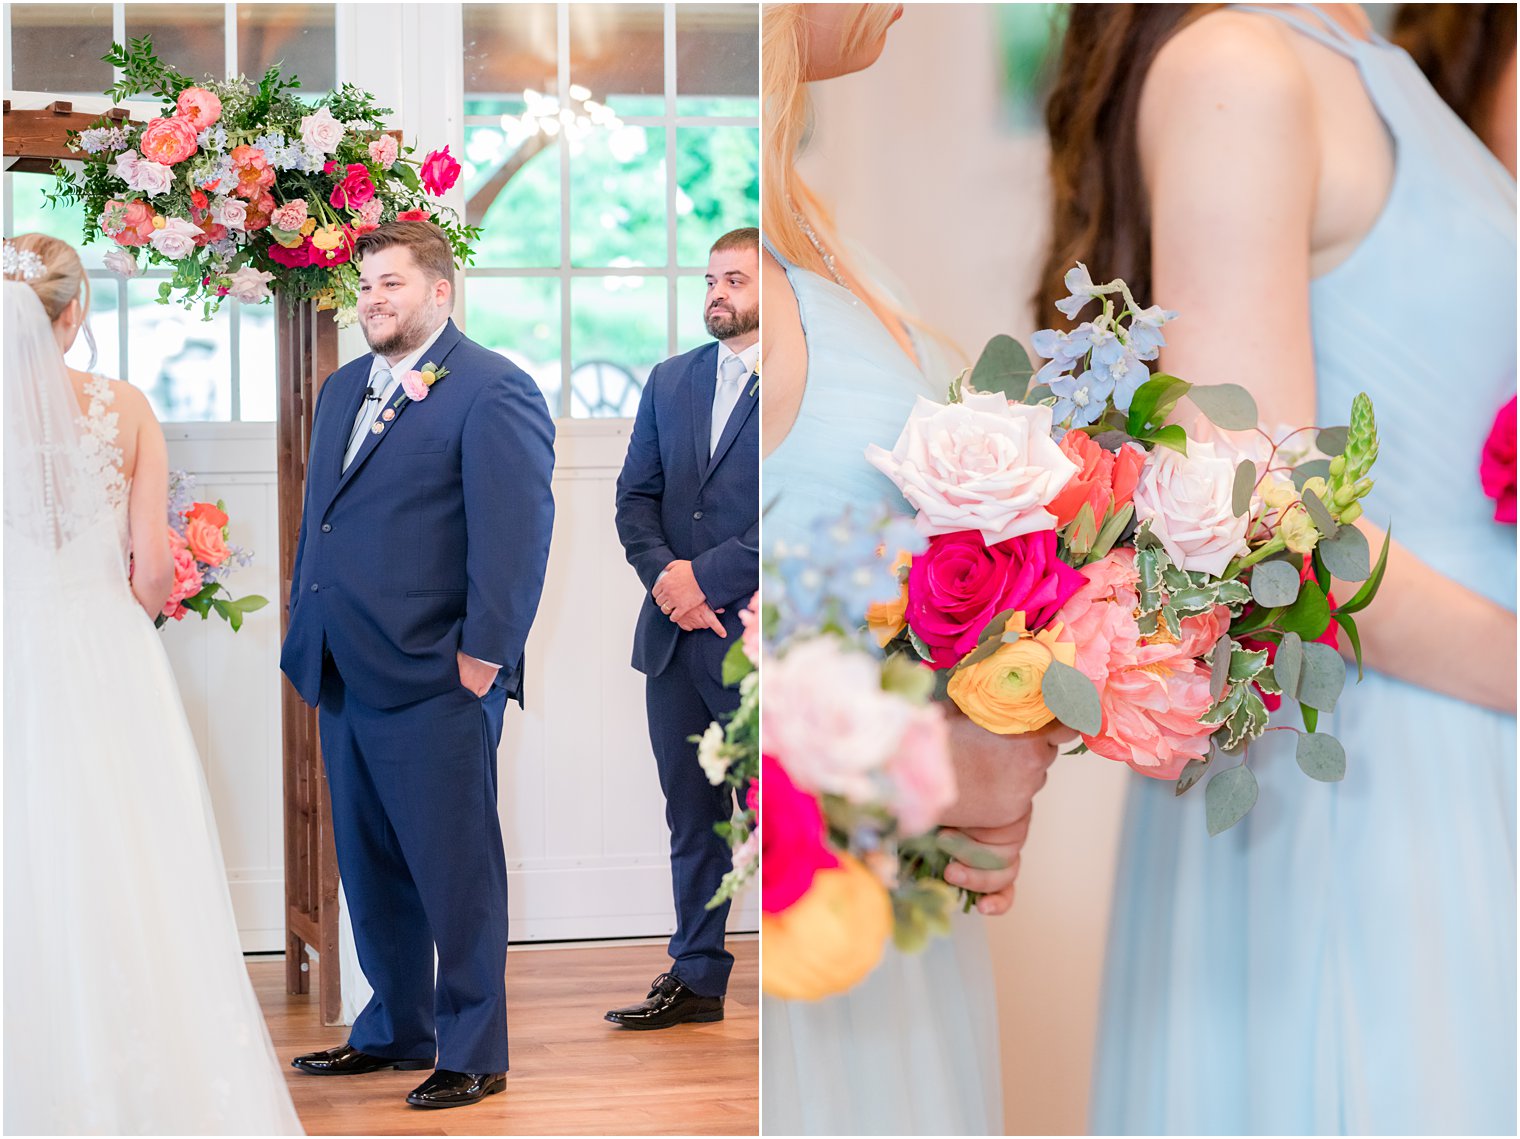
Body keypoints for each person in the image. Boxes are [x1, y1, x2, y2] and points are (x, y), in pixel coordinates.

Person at [1042, 5, 1516, 1133]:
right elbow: (1259, 516)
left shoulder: (1379, 67)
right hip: (1384, 746)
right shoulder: (1240, 66)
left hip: (1457, 713)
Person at [760, 6, 1064, 1133]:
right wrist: (938, 760)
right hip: (820, 895)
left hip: (888, 888)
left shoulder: (804, 230)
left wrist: (1005, 696)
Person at [2, 234, 303, 1134]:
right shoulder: (122, 406)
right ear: (75, 312)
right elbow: (152, 577)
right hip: (103, 654)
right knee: (128, 848)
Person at [280, 221, 555, 1110]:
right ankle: (396, 1027)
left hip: (439, 674)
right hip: (343, 668)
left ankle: (475, 1047)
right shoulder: (339, 389)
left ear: (440, 291)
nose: (373, 300)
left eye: (391, 284)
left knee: (456, 871)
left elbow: (515, 538)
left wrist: (483, 658)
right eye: (365, 286)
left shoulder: (492, 389)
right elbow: (320, 519)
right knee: (369, 864)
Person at [606, 228, 761, 1029]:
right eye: (711, 279)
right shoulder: (670, 380)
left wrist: (708, 578)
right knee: (692, 810)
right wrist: (671, 581)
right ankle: (697, 974)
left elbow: (794, 511)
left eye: (735, 278)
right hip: (674, 637)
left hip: (762, 639)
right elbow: (636, 498)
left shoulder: (803, 382)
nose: (716, 292)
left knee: (783, 813)